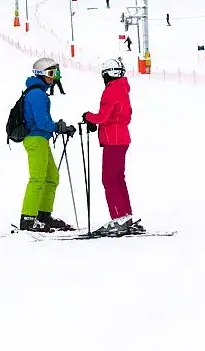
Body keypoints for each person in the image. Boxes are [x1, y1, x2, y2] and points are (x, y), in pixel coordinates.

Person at [82, 59, 142, 235]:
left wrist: (88, 117)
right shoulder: (122, 89)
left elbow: (103, 116)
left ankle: (119, 217)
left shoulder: (111, 90)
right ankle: (126, 215)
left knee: (109, 179)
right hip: (121, 137)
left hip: (113, 140)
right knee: (117, 178)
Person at [18, 58, 76, 232]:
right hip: (35, 139)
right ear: (40, 75)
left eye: (55, 74)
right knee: (38, 178)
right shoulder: (37, 94)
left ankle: (43, 215)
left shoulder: (39, 93)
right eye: (50, 74)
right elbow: (42, 122)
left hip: (41, 139)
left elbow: (43, 122)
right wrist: (58, 127)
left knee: (52, 177)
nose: (53, 78)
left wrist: (58, 127)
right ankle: (28, 219)